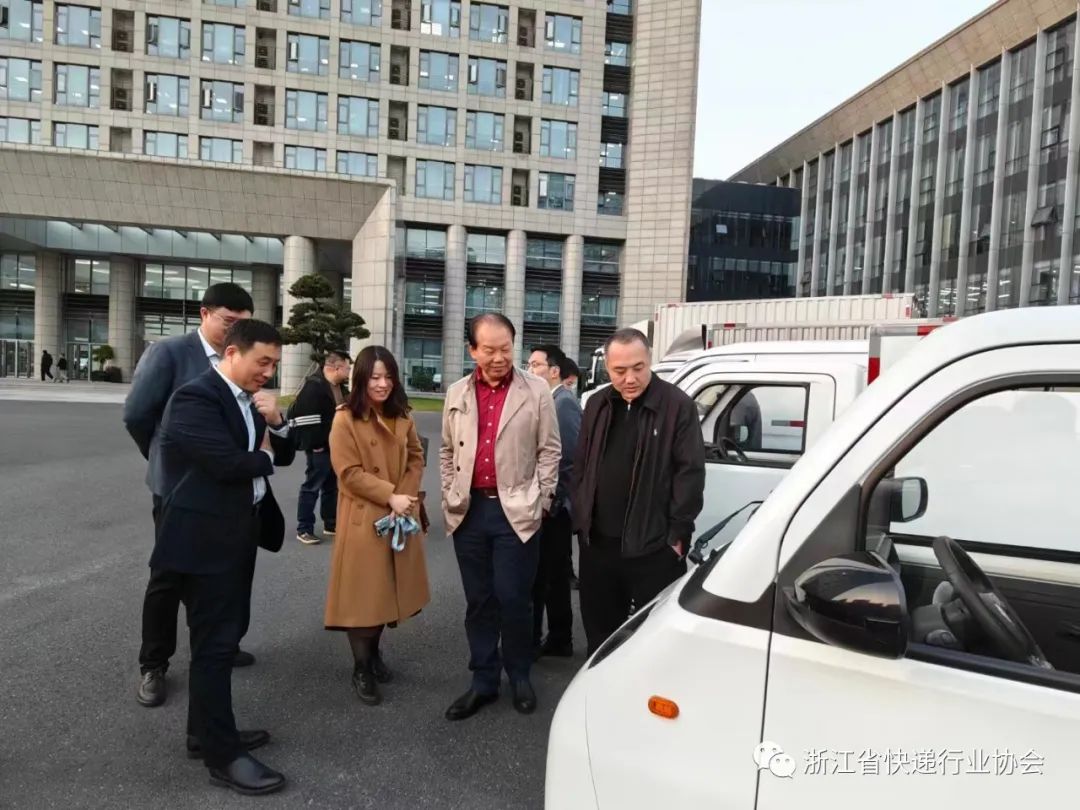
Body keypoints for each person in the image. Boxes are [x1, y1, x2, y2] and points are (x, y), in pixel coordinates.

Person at [154, 319, 293, 795]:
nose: (268, 372)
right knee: (214, 648)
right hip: (202, 541)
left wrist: (277, 424)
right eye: (262, 362)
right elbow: (227, 463)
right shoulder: (196, 397)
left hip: (237, 533)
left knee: (222, 639)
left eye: (274, 364)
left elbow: (286, 453)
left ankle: (205, 733)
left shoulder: (248, 400)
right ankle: (222, 755)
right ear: (232, 353)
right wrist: (263, 457)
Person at [123, 282, 256, 708]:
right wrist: (163, 459)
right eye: (228, 321)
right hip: (178, 491)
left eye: (242, 323)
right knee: (168, 577)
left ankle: (222, 643)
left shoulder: (242, 358)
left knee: (228, 572)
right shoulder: (170, 354)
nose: (234, 330)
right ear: (204, 314)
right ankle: (154, 663)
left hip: (228, 492)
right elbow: (137, 415)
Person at [440, 313, 561, 720]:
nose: (498, 358)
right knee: (479, 601)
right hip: (470, 511)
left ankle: (519, 674)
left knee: (514, 599)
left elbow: (550, 450)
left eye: (506, 349)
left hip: (517, 510)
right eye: (489, 350)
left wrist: (542, 500)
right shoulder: (457, 391)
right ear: (472, 350)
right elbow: (447, 450)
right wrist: (449, 491)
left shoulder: (536, 389)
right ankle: (483, 680)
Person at [572, 328, 706, 655]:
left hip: (654, 547)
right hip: (598, 545)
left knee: (653, 640)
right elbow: (582, 464)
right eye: (619, 371)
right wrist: (580, 516)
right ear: (607, 368)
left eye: (638, 368)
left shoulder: (677, 406)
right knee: (601, 636)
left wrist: (678, 536)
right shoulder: (598, 404)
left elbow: (689, 474)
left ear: (649, 361)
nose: (630, 378)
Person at [324, 346, 430, 706]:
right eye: (375, 377)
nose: (383, 384)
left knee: (385, 593)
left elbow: (415, 457)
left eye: (388, 377)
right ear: (361, 379)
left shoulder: (402, 414)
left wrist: (405, 496)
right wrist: (390, 495)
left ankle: (373, 655)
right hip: (363, 518)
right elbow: (348, 473)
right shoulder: (345, 419)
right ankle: (361, 667)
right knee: (362, 599)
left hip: (398, 514)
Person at [526, 345, 582, 658]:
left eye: (536, 365)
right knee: (550, 574)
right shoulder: (549, 400)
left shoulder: (563, 403)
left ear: (554, 371)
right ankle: (558, 638)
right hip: (550, 504)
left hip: (555, 507)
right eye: (529, 364)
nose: (530, 370)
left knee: (549, 575)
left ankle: (555, 638)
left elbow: (567, 459)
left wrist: (551, 501)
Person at [289, 350, 352, 545]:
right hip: (320, 447)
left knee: (331, 486)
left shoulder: (339, 387)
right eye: (347, 367)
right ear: (336, 367)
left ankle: (330, 523)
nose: (349, 371)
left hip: (336, 446)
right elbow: (306, 419)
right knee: (312, 486)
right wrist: (315, 445)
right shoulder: (314, 387)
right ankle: (304, 528)